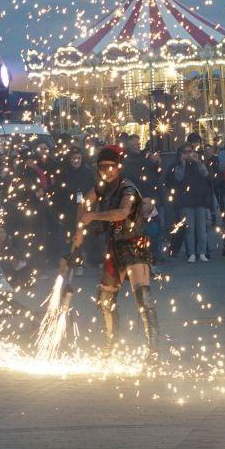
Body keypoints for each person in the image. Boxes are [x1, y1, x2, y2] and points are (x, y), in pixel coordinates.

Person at [73, 145, 160, 356]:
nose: (106, 171)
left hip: (134, 245)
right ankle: (110, 345)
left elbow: (122, 213)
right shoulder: (102, 187)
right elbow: (83, 203)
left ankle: (153, 349)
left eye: (110, 167)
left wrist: (93, 216)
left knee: (143, 299)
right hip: (114, 247)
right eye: (102, 167)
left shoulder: (127, 188)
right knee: (104, 299)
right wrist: (79, 228)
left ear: (118, 167)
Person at [172, 144, 214, 262]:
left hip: (199, 199)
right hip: (186, 201)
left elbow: (206, 175)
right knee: (189, 229)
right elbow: (178, 178)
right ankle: (191, 253)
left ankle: (202, 252)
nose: (188, 154)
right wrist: (183, 164)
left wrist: (198, 162)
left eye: (190, 151)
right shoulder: (179, 166)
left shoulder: (198, 163)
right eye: (185, 152)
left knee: (201, 228)